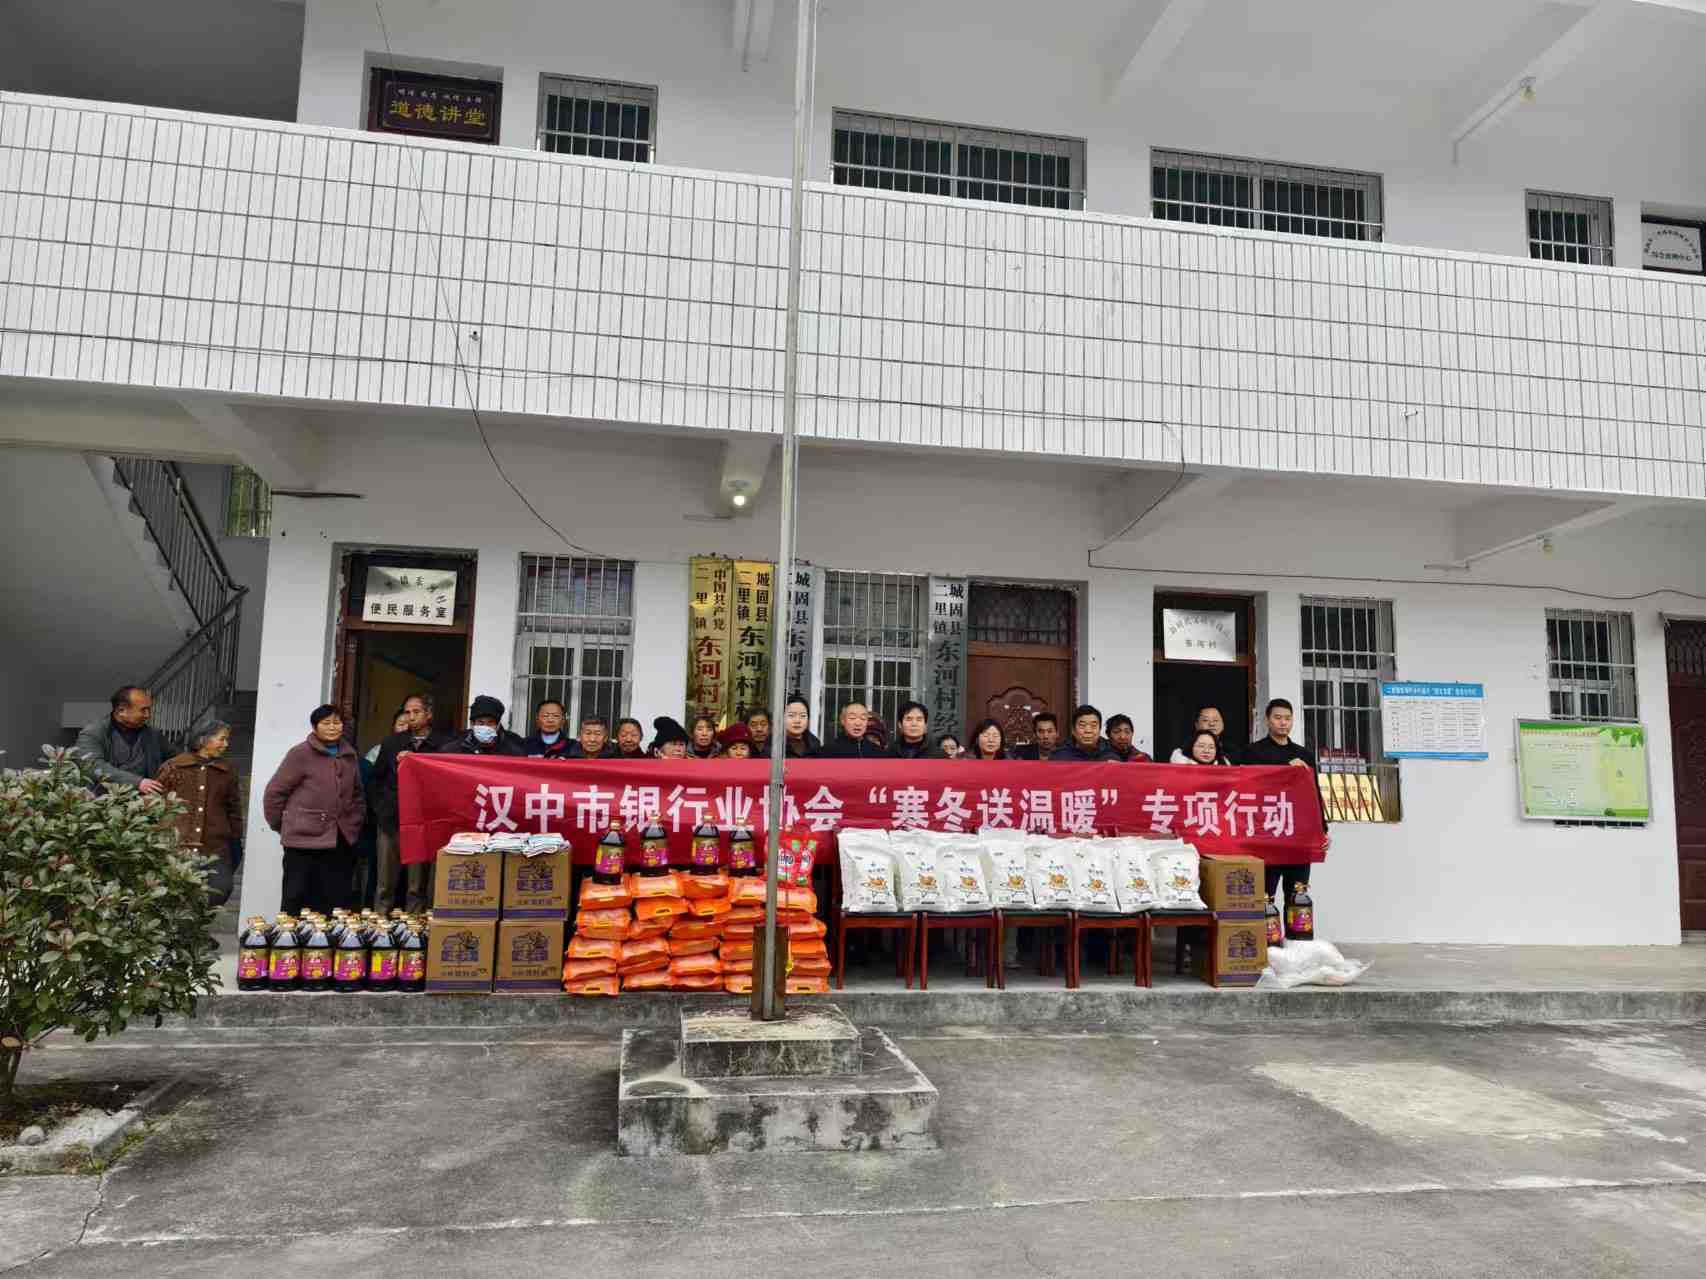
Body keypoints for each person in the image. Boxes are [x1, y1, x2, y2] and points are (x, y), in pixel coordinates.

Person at [263, 704, 365, 914]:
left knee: (333, 899)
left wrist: (354, 822)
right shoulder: (300, 753)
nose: (332, 727)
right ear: (315, 727)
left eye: (337, 722)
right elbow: (275, 793)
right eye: (326, 723)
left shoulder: (349, 754)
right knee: (296, 896)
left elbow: (357, 794)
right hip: (302, 841)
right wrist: (283, 824)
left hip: (339, 840)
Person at [370, 694, 453, 913]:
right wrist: (381, 809)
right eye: (407, 712)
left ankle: (415, 926)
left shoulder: (444, 745)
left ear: (429, 714)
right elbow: (376, 780)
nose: (411, 717)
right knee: (385, 882)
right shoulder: (392, 743)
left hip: (422, 822)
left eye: (416, 712)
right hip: (391, 819)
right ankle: (380, 924)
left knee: (417, 885)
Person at [1240, 698, 1331, 898]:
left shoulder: (1304, 755)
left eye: (1287, 718)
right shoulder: (1252, 752)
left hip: (1297, 837)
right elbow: (1249, 788)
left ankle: (1297, 921)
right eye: (1278, 717)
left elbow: (1313, 795)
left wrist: (1322, 830)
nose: (1283, 723)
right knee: (1263, 899)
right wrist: (1286, 768)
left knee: (1298, 898)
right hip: (1266, 836)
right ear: (1267, 720)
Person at [155, 719, 242, 906]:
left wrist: (235, 839)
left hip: (215, 847)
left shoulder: (227, 771)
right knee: (174, 897)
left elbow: (234, 809)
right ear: (203, 740)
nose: (226, 744)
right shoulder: (173, 767)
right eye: (222, 739)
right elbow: (156, 802)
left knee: (221, 889)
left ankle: (199, 921)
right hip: (178, 847)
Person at [74, 686, 166, 793]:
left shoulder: (153, 734)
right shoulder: (92, 733)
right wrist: (138, 782)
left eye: (149, 709)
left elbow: (176, 756)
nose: (148, 715)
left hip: (146, 800)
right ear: (121, 711)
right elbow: (92, 766)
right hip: (104, 799)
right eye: (143, 710)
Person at [437, 695, 527, 756]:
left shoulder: (514, 751)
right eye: (481, 723)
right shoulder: (453, 750)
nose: (485, 727)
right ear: (472, 724)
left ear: (498, 725)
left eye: (490, 723)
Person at [1054, 704, 1121, 762]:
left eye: (1093, 726)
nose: (1088, 731)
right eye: (1082, 725)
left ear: (1100, 730)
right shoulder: (1060, 757)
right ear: (1073, 730)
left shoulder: (1110, 756)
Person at [820, 702, 887, 759]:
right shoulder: (827, 751)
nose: (858, 723)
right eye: (852, 718)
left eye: (863, 718)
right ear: (842, 720)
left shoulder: (877, 752)